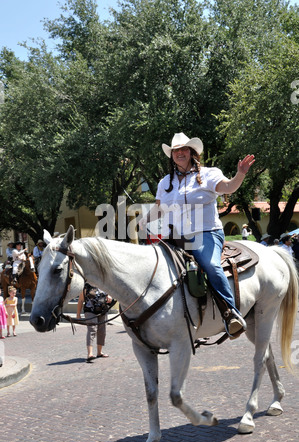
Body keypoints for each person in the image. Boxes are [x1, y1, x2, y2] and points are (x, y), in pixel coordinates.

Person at [139, 132, 255, 336]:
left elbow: (229, 187)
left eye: (184, 149)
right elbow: (159, 209)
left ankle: (231, 314)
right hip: (172, 237)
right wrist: (142, 221)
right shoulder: (165, 182)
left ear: (192, 152)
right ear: (172, 155)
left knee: (211, 265)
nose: (180, 153)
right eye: (176, 150)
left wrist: (240, 174)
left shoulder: (209, 174)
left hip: (206, 233)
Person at [77, 283, 111, 362]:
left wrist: (109, 296)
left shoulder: (103, 284)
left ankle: (99, 352)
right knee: (92, 330)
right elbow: (81, 300)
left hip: (103, 310)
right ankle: (90, 354)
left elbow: (109, 293)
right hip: (90, 311)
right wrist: (78, 314)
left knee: (102, 331)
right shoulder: (86, 287)